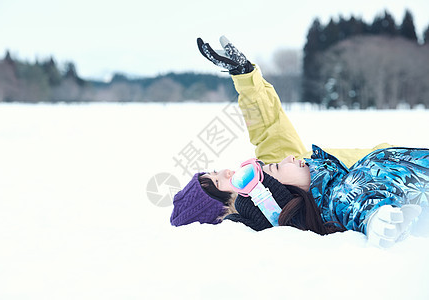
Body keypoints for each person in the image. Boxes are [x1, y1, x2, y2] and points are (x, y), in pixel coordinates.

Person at [170, 36, 429, 248]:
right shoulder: (283, 206)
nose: (226, 171)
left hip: (404, 162)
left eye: (215, 171)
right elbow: (352, 201)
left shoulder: (274, 175)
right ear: (225, 209)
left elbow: (270, 128)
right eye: (219, 181)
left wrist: (246, 77)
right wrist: (374, 216)